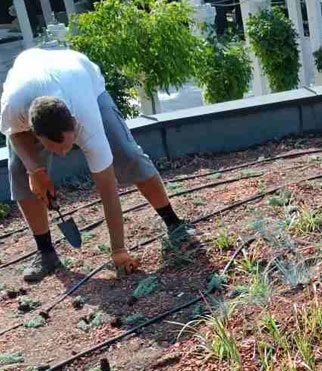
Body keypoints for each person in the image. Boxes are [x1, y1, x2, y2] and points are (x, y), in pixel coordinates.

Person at [0, 46, 187, 282]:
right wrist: (34, 170)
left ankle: (173, 222)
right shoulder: (13, 108)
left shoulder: (86, 116)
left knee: (127, 154)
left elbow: (107, 188)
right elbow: (15, 135)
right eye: (55, 150)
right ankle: (46, 253)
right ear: (35, 133)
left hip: (82, 77)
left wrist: (118, 250)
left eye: (67, 146)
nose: (64, 155)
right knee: (19, 173)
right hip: (28, 72)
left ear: (75, 124)